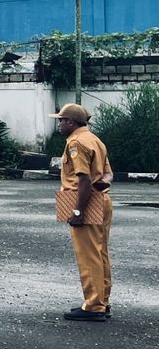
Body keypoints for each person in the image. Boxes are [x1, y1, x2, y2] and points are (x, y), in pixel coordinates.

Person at [53, 103, 113, 322]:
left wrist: (78, 210)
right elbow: (108, 175)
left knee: (88, 256)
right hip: (101, 199)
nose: (59, 124)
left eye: (61, 120)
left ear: (71, 122)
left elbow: (84, 179)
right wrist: (98, 192)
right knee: (100, 253)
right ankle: (102, 301)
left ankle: (94, 305)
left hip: (82, 200)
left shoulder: (76, 142)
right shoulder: (95, 140)